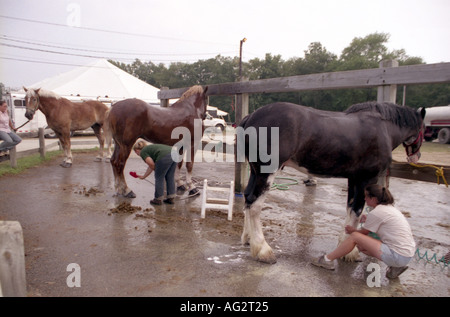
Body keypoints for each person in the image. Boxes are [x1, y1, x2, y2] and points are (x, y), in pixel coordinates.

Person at [312, 184, 416, 279]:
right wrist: (369, 220)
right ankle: (395, 268)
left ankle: (327, 259)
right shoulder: (389, 209)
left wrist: (352, 230)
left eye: (366, 196)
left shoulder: (376, 212)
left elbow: (363, 233)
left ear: (374, 198)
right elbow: (382, 227)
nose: (364, 199)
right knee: (362, 247)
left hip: (397, 255)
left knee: (355, 237)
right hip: (406, 255)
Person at [133, 140, 177, 206]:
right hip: (175, 154)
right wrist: (144, 176)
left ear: (136, 150)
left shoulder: (143, 152)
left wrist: (158, 171)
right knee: (170, 176)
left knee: (159, 178)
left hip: (164, 155)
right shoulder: (150, 149)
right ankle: (171, 198)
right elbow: (151, 165)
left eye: (136, 152)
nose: (137, 154)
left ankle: (158, 199)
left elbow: (152, 165)